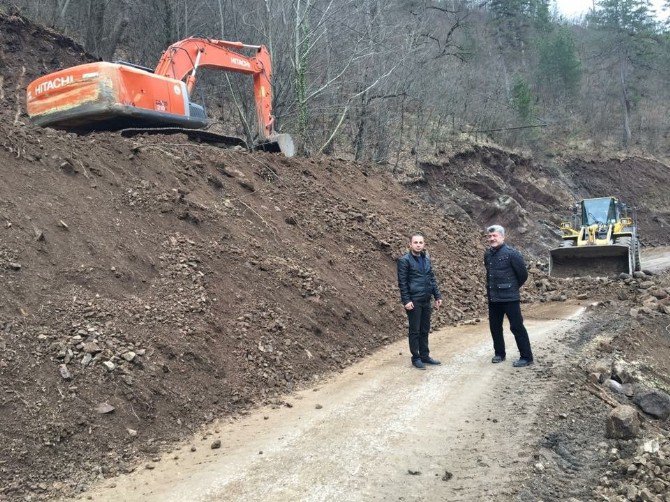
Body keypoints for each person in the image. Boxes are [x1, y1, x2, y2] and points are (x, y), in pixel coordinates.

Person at [484, 225, 534, 367]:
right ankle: (499, 354)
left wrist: (511, 288)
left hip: (510, 298)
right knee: (495, 327)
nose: (492, 238)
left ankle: (526, 357)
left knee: (517, 327)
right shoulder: (487, 254)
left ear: (502, 237)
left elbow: (523, 275)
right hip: (494, 298)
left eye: (495, 236)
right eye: (490, 236)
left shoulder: (512, 254)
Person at [397, 233, 443, 370]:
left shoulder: (426, 259)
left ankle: (425, 356)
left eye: (420, 242)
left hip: (426, 299)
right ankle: (416, 357)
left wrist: (437, 296)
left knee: (424, 329)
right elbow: (402, 283)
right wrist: (406, 300)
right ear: (410, 244)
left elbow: (432, 279)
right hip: (414, 301)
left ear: (424, 245)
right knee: (414, 330)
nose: (418, 245)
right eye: (415, 242)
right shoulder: (404, 261)